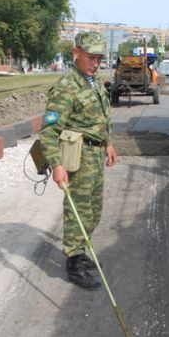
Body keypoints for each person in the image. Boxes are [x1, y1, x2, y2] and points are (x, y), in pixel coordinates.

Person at [39, 32, 118, 290]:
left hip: (95, 155)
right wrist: (56, 165)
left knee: (94, 210)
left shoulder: (93, 82)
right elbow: (49, 131)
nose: (95, 63)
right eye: (90, 57)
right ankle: (74, 264)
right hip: (78, 158)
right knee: (78, 211)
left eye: (98, 58)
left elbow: (101, 118)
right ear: (76, 53)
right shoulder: (67, 86)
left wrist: (108, 143)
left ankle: (82, 252)